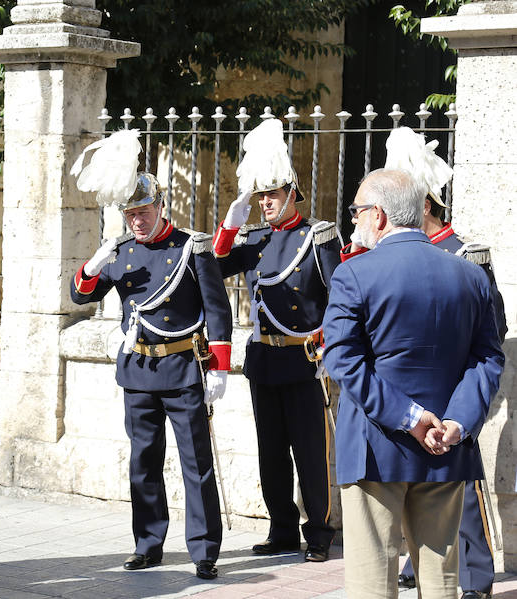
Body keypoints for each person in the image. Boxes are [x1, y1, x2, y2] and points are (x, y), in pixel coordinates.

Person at [339, 127, 506, 599]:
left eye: (356, 211)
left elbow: (346, 363)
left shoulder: (354, 272)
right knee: (441, 582)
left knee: (373, 581)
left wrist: (410, 418)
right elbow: (488, 358)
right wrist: (456, 421)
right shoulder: (470, 274)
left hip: (376, 444)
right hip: (447, 445)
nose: (353, 220)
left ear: (378, 215)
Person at [70, 131, 233, 580]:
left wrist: (218, 367)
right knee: (143, 462)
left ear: (161, 207)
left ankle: (204, 550)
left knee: (195, 463)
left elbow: (219, 310)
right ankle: (148, 544)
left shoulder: (190, 247)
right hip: (138, 368)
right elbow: (81, 295)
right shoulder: (121, 252)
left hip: (183, 369)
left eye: (143, 212)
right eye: (130, 214)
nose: (137, 221)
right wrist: (93, 265)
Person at [210, 119, 340, 563]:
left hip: (305, 361)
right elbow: (214, 267)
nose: (265, 203)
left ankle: (319, 532)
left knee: (311, 453)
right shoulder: (254, 239)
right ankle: (282, 528)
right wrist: (229, 225)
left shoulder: (318, 237)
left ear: (291, 195)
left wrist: (329, 350)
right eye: (260, 196)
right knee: (271, 454)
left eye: (272, 195)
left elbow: (338, 298)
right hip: (264, 359)